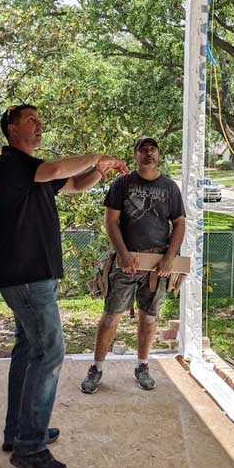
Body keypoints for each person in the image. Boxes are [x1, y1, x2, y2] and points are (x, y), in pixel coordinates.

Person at [0, 104, 129, 468]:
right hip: (27, 277)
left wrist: (96, 172)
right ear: (12, 129)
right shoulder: (10, 166)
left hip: (34, 277)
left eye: (40, 120)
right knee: (50, 352)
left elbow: (72, 184)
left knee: (28, 350)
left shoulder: (33, 171)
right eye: (31, 120)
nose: (40, 126)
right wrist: (96, 155)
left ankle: (19, 431)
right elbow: (55, 170)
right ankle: (30, 448)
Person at [81, 136, 185, 394]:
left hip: (157, 265)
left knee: (149, 318)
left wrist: (170, 257)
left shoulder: (170, 188)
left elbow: (179, 223)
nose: (149, 153)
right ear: (135, 156)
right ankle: (96, 368)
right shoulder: (122, 184)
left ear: (159, 156)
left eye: (153, 150)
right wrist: (123, 255)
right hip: (127, 262)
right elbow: (111, 222)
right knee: (111, 316)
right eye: (143, 150)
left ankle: (142, 366)